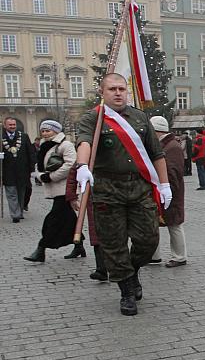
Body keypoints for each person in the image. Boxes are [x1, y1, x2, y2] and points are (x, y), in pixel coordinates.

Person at [74, 73, 172, 316]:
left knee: (149, 240)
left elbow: (157, 153)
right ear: (102, 92)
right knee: (113, 244)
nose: (118, 93)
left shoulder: (139, 117)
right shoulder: (93, 118)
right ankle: (127, 291)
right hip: (108, 191)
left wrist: (165, 185)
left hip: (139, 189)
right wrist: (83, 166)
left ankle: (132, 270)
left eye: (121, 89)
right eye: (112, 89)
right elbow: (84, 142)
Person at [23, 120, 77, 262]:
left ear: (56, 131)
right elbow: (39, 165)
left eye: (48, 130)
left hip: (65, 188)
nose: (45, 133)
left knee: (52, 220)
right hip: (54, 187)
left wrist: (50, 177)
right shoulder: (44, 145)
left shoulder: (65, 145)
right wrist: (41, 176)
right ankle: (79, 245)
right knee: (70, 218)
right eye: (43, 131)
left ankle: (41, 249)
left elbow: (71, 165)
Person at [150, 116, 187, 268]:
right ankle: (154, 255)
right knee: (154, 223)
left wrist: (166, 188)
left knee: (174, 224)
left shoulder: (171, 147)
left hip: (170, 191)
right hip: (162, 190)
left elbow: (172, 172)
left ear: (156, 131)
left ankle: (179, 257)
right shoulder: (165, 145)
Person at [65, 166, 106, 280]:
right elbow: (75, 169)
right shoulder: (88, 148)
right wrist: (71, 196)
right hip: (95, 196)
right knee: (96, 232)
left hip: (117, 195)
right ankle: (101, 268)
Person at [2, 117, 36, 222]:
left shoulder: (24, 137)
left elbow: (31, 153)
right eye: (10, 125)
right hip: (7, 171)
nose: (12, 126)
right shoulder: (1, 138)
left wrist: (32, 168)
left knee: (21, 193)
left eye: (14, 125)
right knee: (11, 193)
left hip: (22, 171)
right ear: (5, 126)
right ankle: (15, 215)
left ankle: (20, 211)